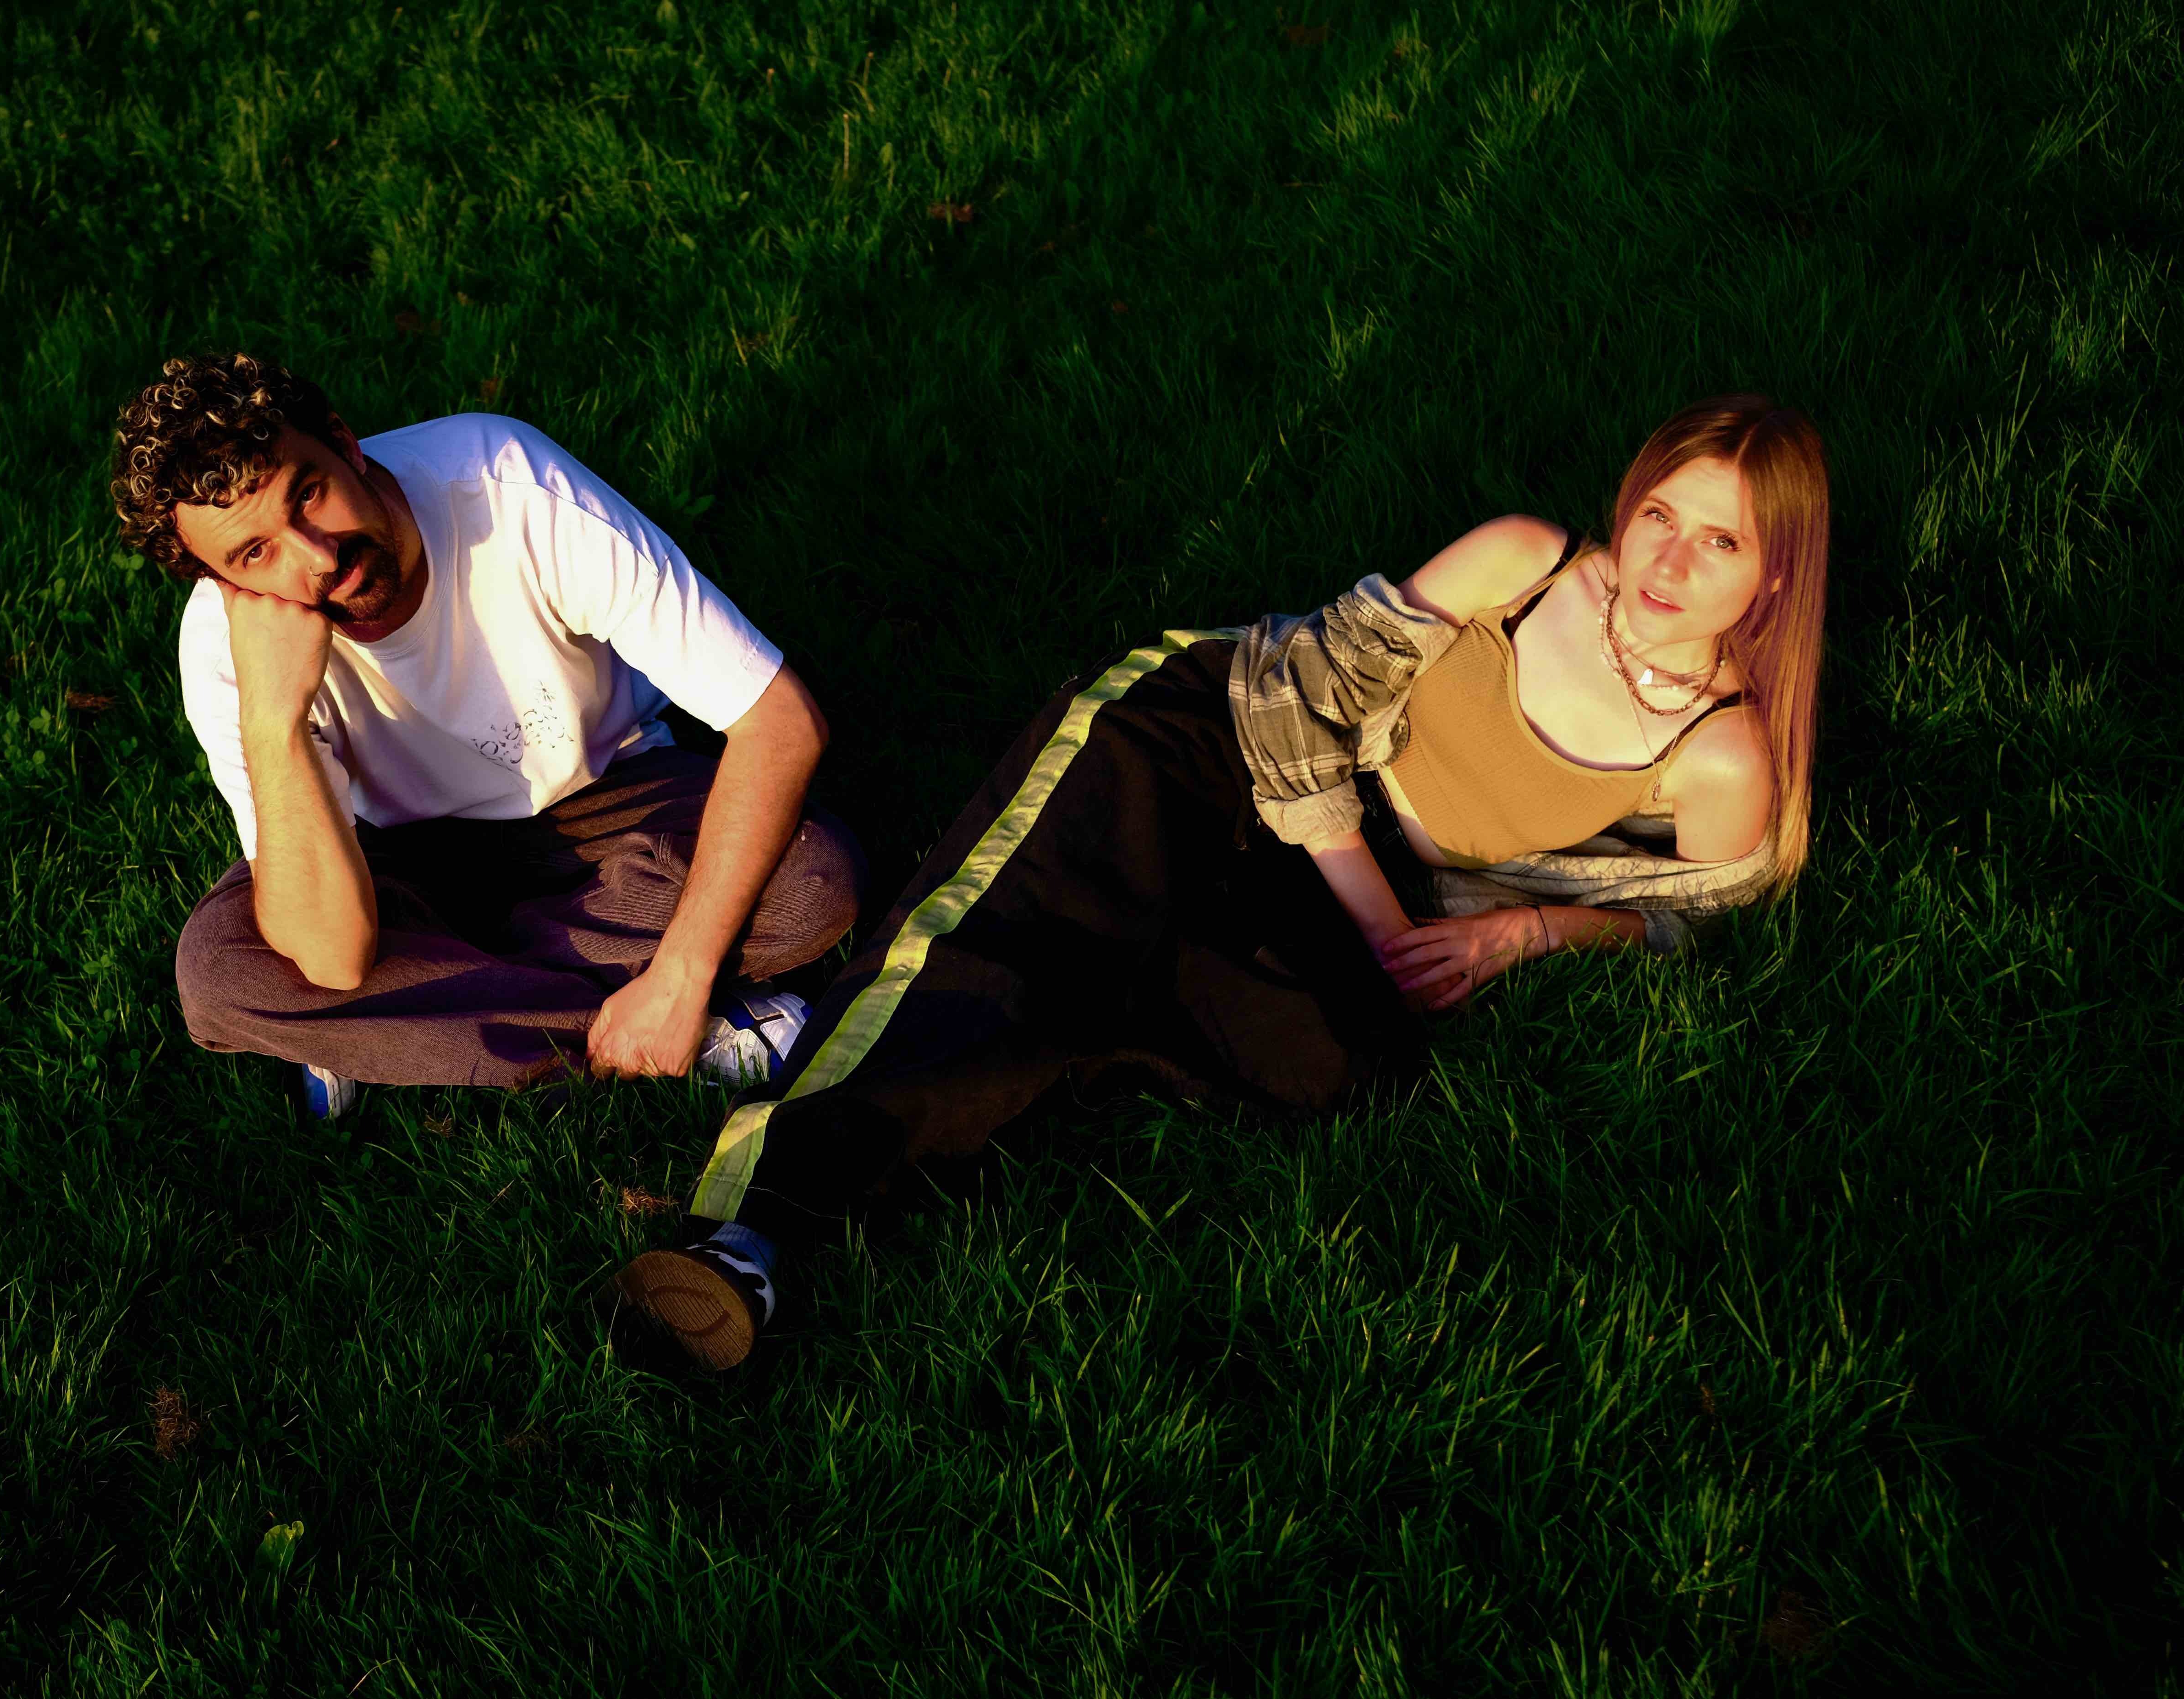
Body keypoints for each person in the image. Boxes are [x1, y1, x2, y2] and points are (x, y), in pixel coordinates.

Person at [609, 395, 1828, 1370]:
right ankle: (755, 1227)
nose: (1668, 558)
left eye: (1720, 541)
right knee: (1025, 927)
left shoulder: (1718, 753)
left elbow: (1693, 917)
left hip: (1331, 870)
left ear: (1776, 575)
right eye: (1659, 512)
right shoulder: (1528, 564)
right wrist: (1382, 919)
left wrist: (1528, 932)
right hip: (1218, 735)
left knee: (1326, 1063)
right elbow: (1302, 696)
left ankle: (823, 1028)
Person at [112, 353, 864, 1103]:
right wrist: (273, 721)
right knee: (222, 974)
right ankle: (678, 1030)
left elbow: (781, 722)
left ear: (344, 444)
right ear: (221, 581)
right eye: (256, 553)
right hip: (389, 856)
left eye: (308, 494)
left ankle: (401, 1025)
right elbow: (332, 957)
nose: (317, 555)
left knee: (812, 883)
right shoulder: (222, 646)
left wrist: (682, 972)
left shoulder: (510, 487)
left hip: (607, 798)